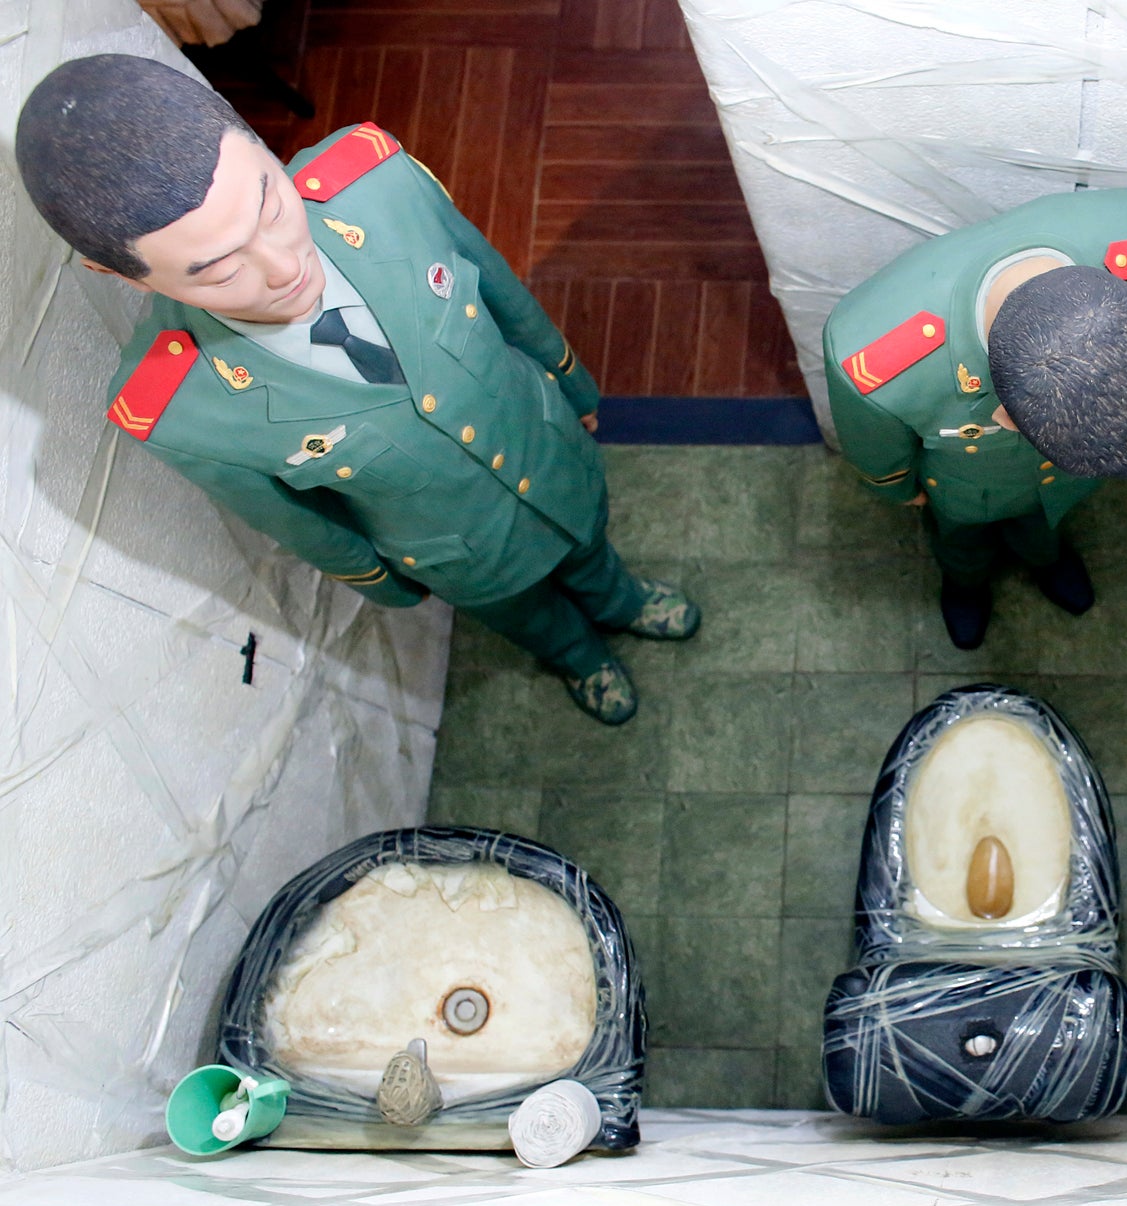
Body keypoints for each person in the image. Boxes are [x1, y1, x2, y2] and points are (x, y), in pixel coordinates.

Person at [16, 54, 696, 724]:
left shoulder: (376, 183)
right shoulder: (180, 409)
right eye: (221, 271)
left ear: (254, 139)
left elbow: (496, 286)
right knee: (524, 613)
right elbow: (296, 519)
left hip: (540, 441)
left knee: (590, 540)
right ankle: (576, 656)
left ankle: (619, 599)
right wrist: (386, 583)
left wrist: (571, 383)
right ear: (124, 277)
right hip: (459, 551)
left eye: (270, 203)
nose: (284, 268)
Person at [824, 189, 1127, 649]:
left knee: (1045, 523)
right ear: (1004, 416)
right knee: (961, 537)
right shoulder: (876, 367)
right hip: (967, 484)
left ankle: (1046, 556)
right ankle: (965, 583)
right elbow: (880, 459)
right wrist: (906, 493)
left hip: (1058, 483)